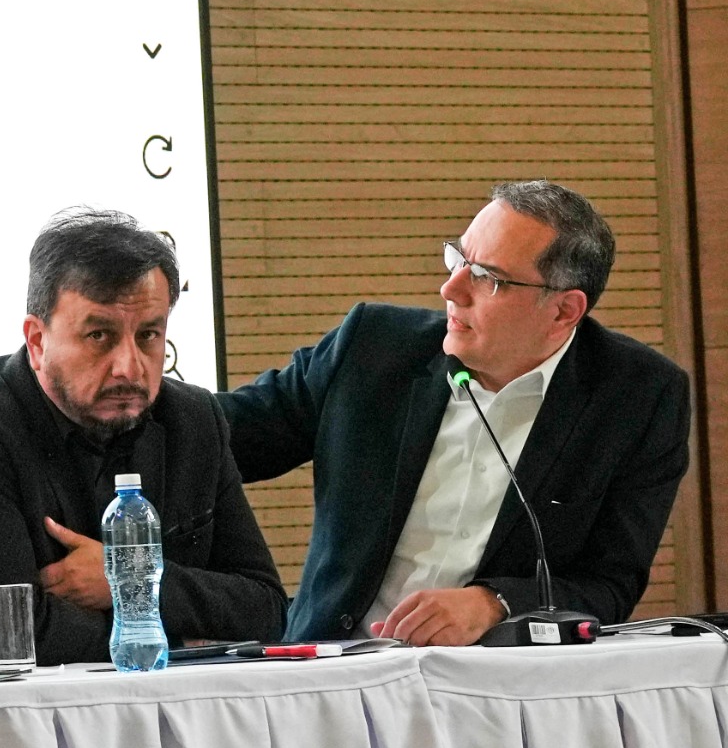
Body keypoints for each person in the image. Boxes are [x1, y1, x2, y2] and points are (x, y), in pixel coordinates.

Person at [214, 180, 690, 644]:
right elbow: (221, 436)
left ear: (564, 311)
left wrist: (495, 602)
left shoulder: (638, 396)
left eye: (487, 277)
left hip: (498, 683)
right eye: (458, 259)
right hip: (332, 669)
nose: (450, 288)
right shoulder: (370, 349)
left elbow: (610, 583)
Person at [0, 210, 287, 667]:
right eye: (99, 335)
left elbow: (266, 610)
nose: (129, 367)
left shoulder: (193, 420)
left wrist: (128, 580)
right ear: (37, 341)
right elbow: (16, 633)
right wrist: (178, 639)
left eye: (149, 335)